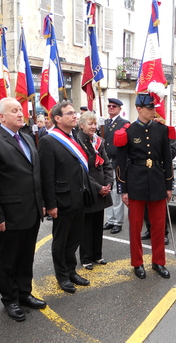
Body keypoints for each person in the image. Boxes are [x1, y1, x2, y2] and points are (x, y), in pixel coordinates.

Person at [0, 98, 46, 322]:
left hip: (32, 210)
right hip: (10, 213)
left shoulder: (26, 138)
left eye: (21, 110)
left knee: (26, 256)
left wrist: (41, 202)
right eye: (14, 111)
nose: (20, 113)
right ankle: (10, 299)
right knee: (9, 259)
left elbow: (35, 175)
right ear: (2, 116)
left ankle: (24, 293)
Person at [115, 93, 174, 279]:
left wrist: (168, 185)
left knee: (158, 225)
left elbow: (167, 159)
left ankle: (158, 262)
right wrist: (123, 189)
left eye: (154, 108)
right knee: (135, 226)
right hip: (135, 182)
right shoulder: (128, 131)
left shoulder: (161, 130)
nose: (153, 111)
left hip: (156, 180)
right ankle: (137, 263)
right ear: (139, 109)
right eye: (149, 108)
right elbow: (120, 163)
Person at [38, 101, 92, 293]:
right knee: (61, 241)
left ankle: (71, 270)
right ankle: (62, 275)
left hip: (79, 198)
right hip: (61, 201)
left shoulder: (74, 136)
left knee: (74, 239)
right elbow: (47, 176)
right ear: (57, 118)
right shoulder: (48, 140)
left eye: (74, 112)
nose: (74, 116)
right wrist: (50, 204)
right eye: (69, 113)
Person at [77, 111, 114, 270]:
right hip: (88, 189)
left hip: (102, 189)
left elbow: (107, 164)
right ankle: (86, 258)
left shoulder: (99, 141)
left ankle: (97, 255)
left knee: (98, 224)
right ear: (81, 125)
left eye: (94, 124)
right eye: (89, 124)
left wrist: (109, 183)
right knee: (86, 226)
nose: (93, 127)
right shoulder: (77, 141)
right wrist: (98, 188)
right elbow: (82, 171)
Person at [103, 98, 129, 234]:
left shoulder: (124, 124)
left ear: (120, 109)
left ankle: (118, 221)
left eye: (114, 106)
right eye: (109, 106)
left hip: (117, 162)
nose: (111, 108)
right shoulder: (104, 123)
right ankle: (110, 219)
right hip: (104, 163)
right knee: (107, 191)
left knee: (117, 193)